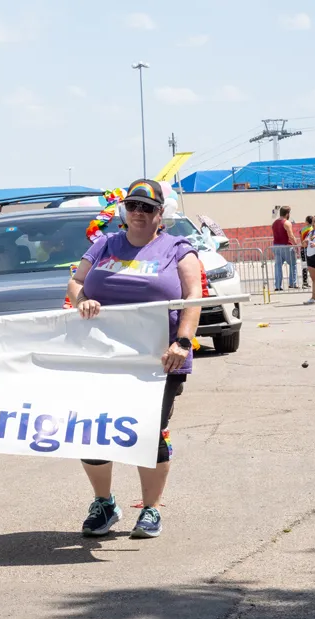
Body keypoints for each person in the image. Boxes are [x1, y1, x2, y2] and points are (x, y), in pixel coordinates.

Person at [67, 179, 202, 540]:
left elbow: (193, 296)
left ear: (161, 213)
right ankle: (104, 504)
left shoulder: (178, 249)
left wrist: (183, 342)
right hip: (102, 358)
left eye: (147, 207)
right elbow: (76, 282)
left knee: (147, 430)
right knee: (93, 430)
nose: (139, 213)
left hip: (158, 361)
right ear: (124, 210)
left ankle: (151, 508)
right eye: (133, 206)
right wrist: (82, 300)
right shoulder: (104, 244)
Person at [271, 206, 298, 291]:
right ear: (287, 214)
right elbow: (291, 236)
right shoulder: (287, 223)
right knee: (293, 264)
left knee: (278, 266)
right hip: (286, 246)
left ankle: (278, 286)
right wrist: (296, 245)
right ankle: (292, 283)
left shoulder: (274, 223)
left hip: (276, 246)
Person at [299, 216, 313, 289]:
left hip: (303, 249)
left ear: (307, 222)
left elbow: (301, 240)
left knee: (304, 266)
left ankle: (305, 282)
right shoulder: (313, 229)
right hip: (311, 249)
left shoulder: (302, 230)